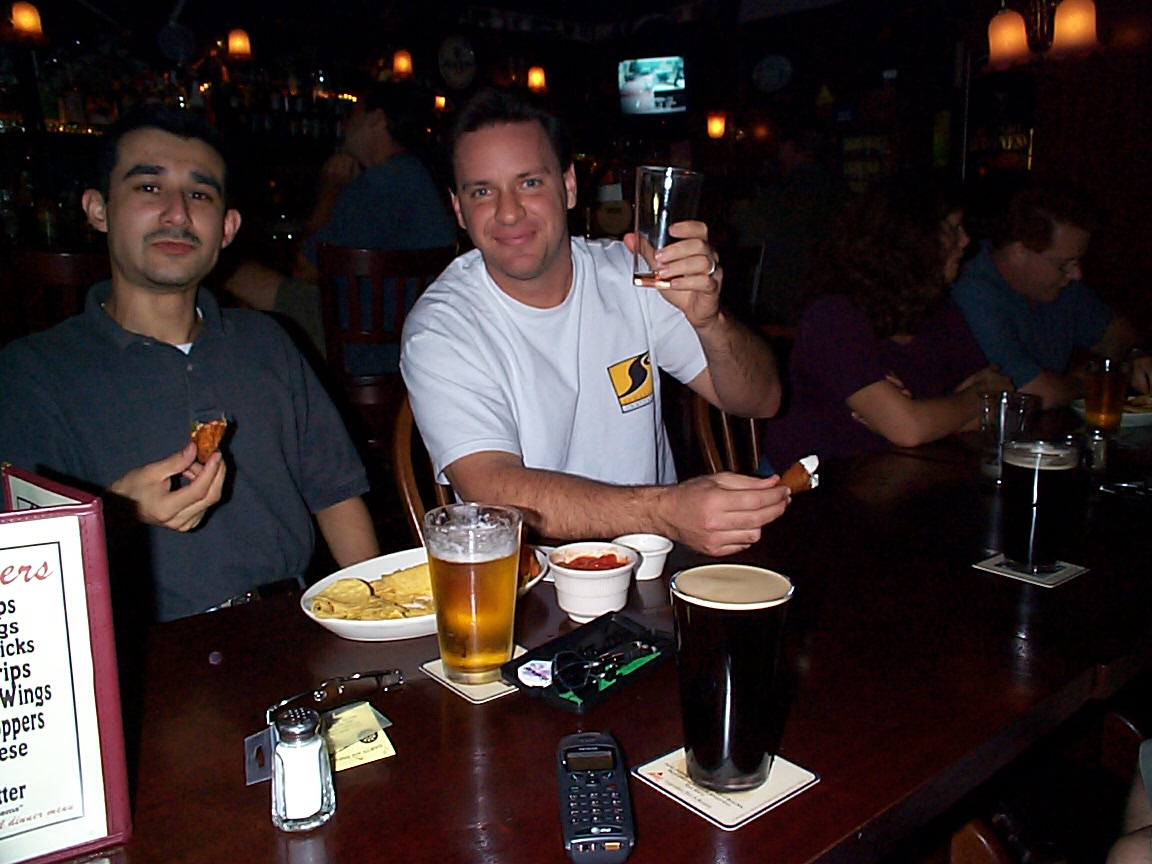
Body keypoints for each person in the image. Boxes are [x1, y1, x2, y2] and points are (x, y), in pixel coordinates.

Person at [0, 105, 379, 621]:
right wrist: (118, 513)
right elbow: (24, 578)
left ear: (227, 227)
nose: (177, 214)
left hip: (291, 623)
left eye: (199, 195)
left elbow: (337, 497)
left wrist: (377, 617)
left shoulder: (268, 341)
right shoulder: (31, 372)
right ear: (98, 210)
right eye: (149, 188)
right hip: (145, 648)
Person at [400, 88, 789, 557]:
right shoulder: (442, 328)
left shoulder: (629, 275)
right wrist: (664, 511)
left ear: (568, 186)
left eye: (529, 183)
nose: (508, 212)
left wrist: (712, 323)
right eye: (482, 192)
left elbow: (761, 400)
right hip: (528, 581)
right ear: (459, 209)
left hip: (652, 566)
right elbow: (491, 489)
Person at [760, 179, 1012, 471]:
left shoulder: (938, 309)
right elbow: (909, 429)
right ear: (913, 241)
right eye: (954, 228)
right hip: (809, 485)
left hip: (894, 475)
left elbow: (996, 409)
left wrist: (926, 418)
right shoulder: (833, 315)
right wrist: (976, 398)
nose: (966, 240)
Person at [223, 81, 457, 358]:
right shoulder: (416, 176)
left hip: (357, 343)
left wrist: (329, 192)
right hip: (410, 338)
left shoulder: (374, 186)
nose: (344, 125)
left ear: (376, 119)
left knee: (229, 272)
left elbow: (304, 268)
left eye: (352, 115)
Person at [951, 184, 1152, 408]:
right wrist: (1091, 380)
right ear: (1018, 252)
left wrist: (1134, 355)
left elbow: (1115, 330)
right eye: (1065, 263)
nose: (1077, 274)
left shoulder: (1060, 284)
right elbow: (1033, 393)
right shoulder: (971, 288)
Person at [727, 110, 850, 327]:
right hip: (839, 308)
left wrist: (741, 209)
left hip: (787, 311)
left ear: (790, 147)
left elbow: (741, 234)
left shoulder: (780, 196)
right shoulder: (843, 193)